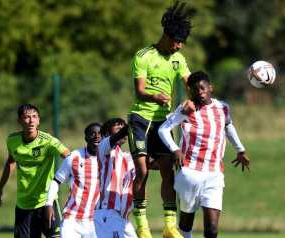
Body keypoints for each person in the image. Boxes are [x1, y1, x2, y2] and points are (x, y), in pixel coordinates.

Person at [128, 1, 193, 237]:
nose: (179, 46)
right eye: (176, 41)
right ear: (166, 35)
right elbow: (139, 90)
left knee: (169, 170)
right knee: (142, 170)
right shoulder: (144, 56)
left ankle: (169, 226)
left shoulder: (179, 59)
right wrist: (155, 96)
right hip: (140, 120)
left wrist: (191, 99)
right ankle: (143, 227)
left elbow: (190, 84)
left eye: (182, 43)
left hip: (164, 123)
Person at [158, 71, 250, 238]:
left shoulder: (223, 108)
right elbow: (163, 129)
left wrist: (240, 149)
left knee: (212, 229)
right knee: (186, 224)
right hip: (189, 173)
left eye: (202, 88)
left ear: (210, 88)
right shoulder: (187, 108)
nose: (199, 92)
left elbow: (228, 127)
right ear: (190, 92)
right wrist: (175, 149)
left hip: (214, 174)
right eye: (194, 90)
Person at [0, 104, 70, 238]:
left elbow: (70, 158)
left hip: (46, 203)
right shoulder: (12, 141)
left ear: (39, 120)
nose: (31, 121)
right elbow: (11, 161)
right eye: (27, 117)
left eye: (34, 117)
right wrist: (0, 188)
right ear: (19, 121)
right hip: (24, 205)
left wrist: (72, 183)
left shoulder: (49, 141)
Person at [45, 122, 102, 238]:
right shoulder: (74, 157)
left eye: (100, 134)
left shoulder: (109, 160)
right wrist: (49, 204)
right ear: (86, 138)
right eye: (92, 134)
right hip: (72, 219)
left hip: (95, 221)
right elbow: (56, 181)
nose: (97, 136)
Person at [94, 118, 137, 238]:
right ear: (107, 133)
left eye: (123, 127)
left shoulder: (128, 157)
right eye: (118, 128)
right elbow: (117, 137)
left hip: (123, 217)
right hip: (108, 212)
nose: (123, 131)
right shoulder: (104, 148)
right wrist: (135, 124)